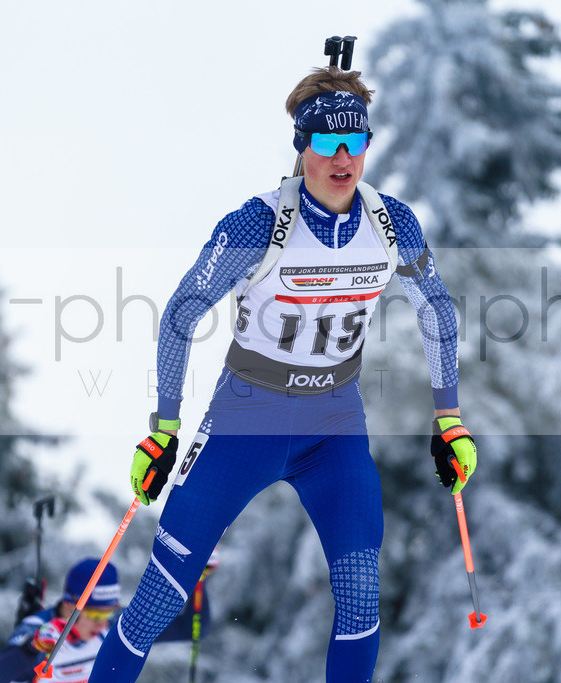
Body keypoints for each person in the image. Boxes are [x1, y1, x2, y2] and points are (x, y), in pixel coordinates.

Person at [89, 66, 477, 683]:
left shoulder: (390, 224)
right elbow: (183, 312)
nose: (344, 157)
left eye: (357, 142)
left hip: (334, 429)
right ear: (302, 149)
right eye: (327, 143)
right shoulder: (257, 223)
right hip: (244, 422)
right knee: (161, 598)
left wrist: (450, 421)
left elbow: (437, 312)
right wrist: (163, 428)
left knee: (360, 596)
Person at [0, 556, 216, 682]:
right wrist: (32, 648)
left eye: (109, 612)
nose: (103, 623)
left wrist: (198, 576)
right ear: (70, 604)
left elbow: (191, 628)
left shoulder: (114, 625)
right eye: (95, 615)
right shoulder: (39, 629)